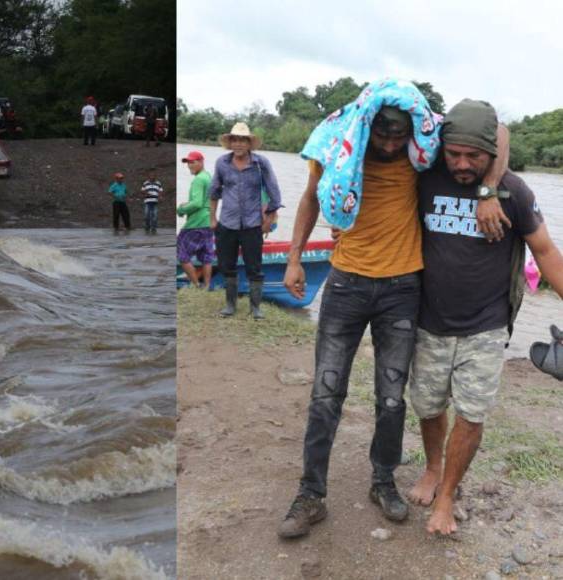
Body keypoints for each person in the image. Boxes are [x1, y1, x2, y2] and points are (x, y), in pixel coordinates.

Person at [278, 82, 509, 540]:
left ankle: (383, 482)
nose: (388, 143)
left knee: (390, 397)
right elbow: (309, 198)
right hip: (345, 284)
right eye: (381, 135)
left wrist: (488, 191)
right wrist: (294, 257)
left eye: (396, 136)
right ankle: (311, 494)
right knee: (326, 395)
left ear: (410, 132)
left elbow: (497, 131)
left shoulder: (422, 150)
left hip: (403, 288)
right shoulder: (337, 149)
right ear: (367, 126)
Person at [407, 99, 563, 536]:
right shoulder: (423, 181)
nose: (461, 164)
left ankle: (448, 495)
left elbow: (546, 252)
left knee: (472, 415)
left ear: (490, 154)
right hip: (428, 320)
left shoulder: (514, 192)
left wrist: (491, 190)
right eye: (453, 153)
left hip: (486, 325)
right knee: (429, 405)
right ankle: (432, 469)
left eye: (473, 156)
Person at [210, 122, 282, 320]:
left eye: (243, 140)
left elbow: (274, 193)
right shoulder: (222, 164)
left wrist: (268, 219)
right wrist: (212, 218)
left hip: (252, 224)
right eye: (235, 140)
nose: (239, 144)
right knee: (227, 264)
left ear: (249, 143)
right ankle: (230, 305)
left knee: (254, 267)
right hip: (227, 223)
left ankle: (256, 307)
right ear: (230, 143)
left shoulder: (261, 164)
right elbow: (214, 192)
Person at [177, 151, 214, 288]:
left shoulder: (198, 179)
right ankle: (207, 286)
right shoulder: (208, 177)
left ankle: (197, 285)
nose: (189, 165)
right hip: (208, 221)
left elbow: (197, 203)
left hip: (196, 223)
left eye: (193, 162)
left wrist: (181, 209)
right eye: (188, 163)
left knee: (181, 252)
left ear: (201, 161)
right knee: (206, 256)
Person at [141, 167, 163, 234]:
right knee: (146, 215)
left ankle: (154, 228)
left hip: (155, 201)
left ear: (155, 176)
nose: (152, 177)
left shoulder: (158, 183)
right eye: (151, 175)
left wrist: (160, 197)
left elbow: (160, 191)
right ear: (149, 176)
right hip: (147, 201)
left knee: (155, 215)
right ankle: (147, 227)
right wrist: (146, 193)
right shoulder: (145, 183)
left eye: (154, 175)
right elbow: (142, 191)